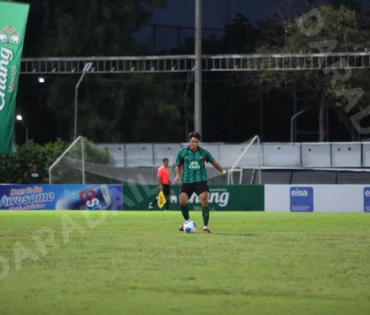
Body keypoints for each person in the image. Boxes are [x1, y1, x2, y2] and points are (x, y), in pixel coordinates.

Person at [174, 131, 227, 233]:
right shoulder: (182, 152)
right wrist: (177, 175)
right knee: (182, 201)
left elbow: (214, 162)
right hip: (187, 181)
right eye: (193, 142)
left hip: (200, 180)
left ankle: (205, 227)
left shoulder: (203, 153)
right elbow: (178, 165)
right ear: (189, 141)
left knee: (204, 199)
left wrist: (222, 171)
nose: (195, 144)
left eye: (197, 142)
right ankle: (187, 222)